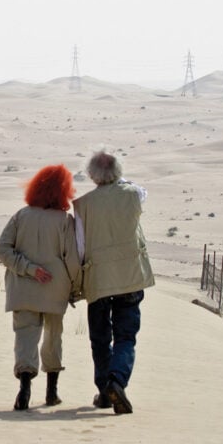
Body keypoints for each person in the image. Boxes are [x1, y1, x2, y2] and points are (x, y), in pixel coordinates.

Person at [73, 150, 155, 415]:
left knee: (99, 338)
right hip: (129, 277)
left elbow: (80, 246)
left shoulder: (83, 205)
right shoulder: (133, 194)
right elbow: (139, 189)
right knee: (125, 336)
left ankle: (105, 391)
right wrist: (117, 179)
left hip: (98, 278)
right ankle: (116, 381)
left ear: (91, 175)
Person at [0, 164, 82, 411]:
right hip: (56, 287)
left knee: (25, 336)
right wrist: (75, 288)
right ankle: (51, 393)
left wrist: (29, 269)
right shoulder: (65, 221)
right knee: (53, 337)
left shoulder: (21, 216)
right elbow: (72, 259)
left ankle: (24, 389)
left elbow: (3, 250)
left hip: (22, 288)